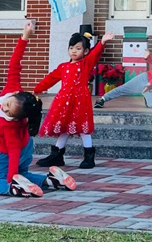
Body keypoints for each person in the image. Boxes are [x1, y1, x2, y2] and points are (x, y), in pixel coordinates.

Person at [0, 21, 77, 197]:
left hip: (12, 150)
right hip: (26, 145)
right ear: (15, 94)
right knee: (24, 174)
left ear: (18, 118)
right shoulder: (12, 88)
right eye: (8, 105)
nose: (5, 109)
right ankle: (52, 180)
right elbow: (15, 64)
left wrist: (12, 178)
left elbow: (14, 152)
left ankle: (16, 187)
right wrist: (25, 37)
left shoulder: (11, 126)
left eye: (9, 112)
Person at [35, 29, 115, 169]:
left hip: (80, 101)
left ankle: (89, 156)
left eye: (78, 48)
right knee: (65, 127)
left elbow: (95, 55)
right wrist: (37, 89)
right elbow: (51, 79)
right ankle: (57, 155)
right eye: (71, 48)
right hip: (64, 101)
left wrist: (102, 43)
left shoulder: (85, 64)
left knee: (83, 126)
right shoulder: (63, 67)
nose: (73, 51)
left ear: (85, 51)